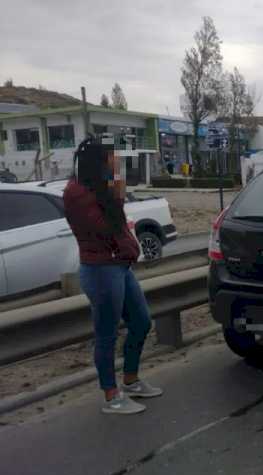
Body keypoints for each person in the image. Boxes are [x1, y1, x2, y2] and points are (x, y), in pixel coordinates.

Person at [63, 137, 163, 415]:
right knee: (106, 334)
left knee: (141, 322)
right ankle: (111, 395)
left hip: (119, 265)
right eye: (112, 158)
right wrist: (117, 189)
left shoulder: (99, 187)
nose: (116, 163)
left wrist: (115, 187)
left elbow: (116, 225)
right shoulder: (77, 192)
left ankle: (130, 380)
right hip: (100, 270)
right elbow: (107, 228)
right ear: (98, 161)